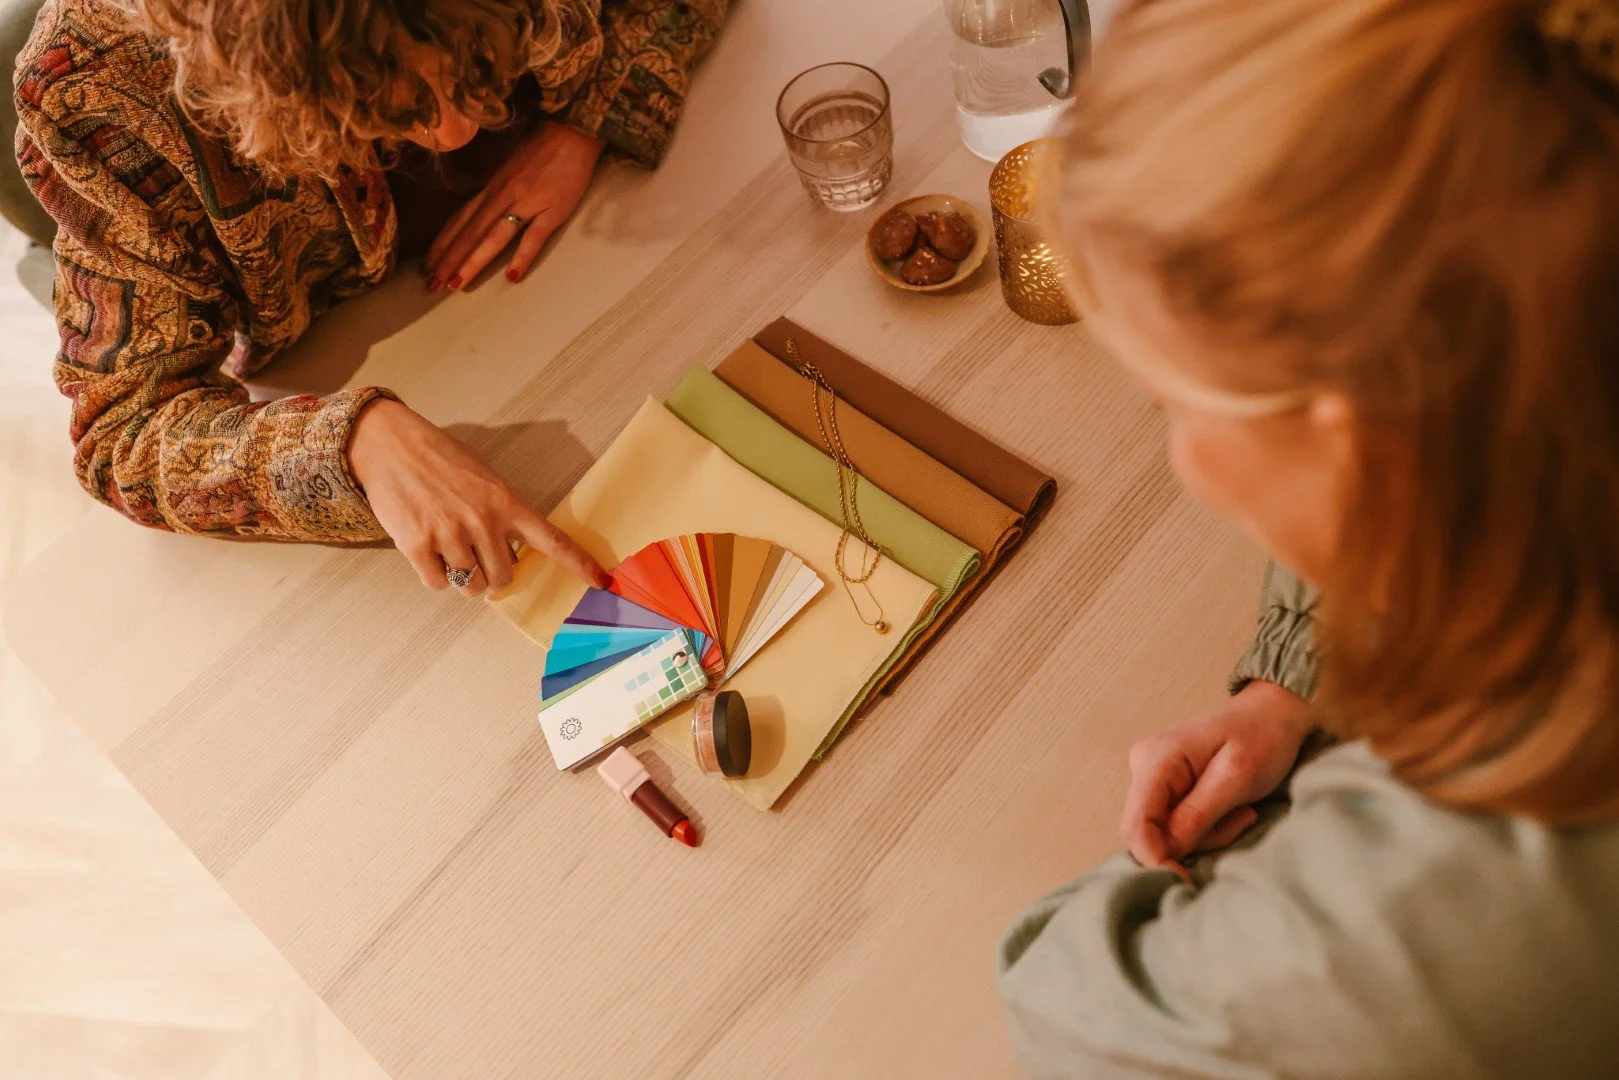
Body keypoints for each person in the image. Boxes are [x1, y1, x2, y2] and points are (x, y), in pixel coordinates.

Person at [997, 0, 1619, 1075]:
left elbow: (1066, 1004)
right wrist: (1290, 678)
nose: (1179, 457)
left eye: (1172, 404)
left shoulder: (1436, 909)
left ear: (1354, 447)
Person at [11, 0, 727, 593]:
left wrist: (589, 123)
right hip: (370, 348)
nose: (458, 130)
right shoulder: (103, 85)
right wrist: (351, 443)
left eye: (471, 67)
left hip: (615, 237)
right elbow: (124, 434)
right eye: (398, 107)